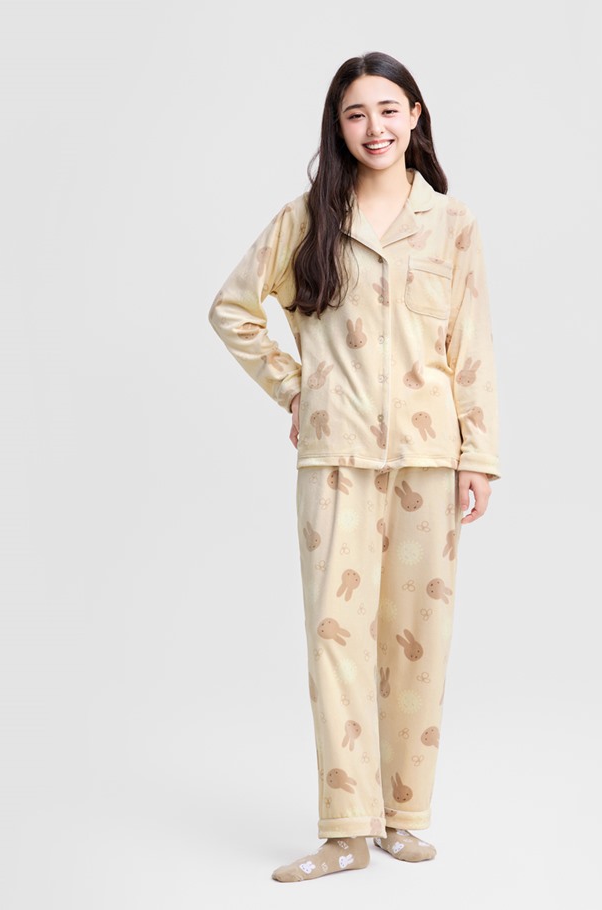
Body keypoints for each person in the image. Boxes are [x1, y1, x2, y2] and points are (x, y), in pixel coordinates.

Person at [208, 50, 501, 882]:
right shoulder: (308, 219)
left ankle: (403, 817)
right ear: (338, 128)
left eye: (387, 109)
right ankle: (345, 832)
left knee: (419, 642)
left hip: (429, 459)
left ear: (415, 115)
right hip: (334, 457)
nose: (374, 127)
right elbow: (232, 308)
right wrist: (295, 388)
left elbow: (472, 344)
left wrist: (478, 456)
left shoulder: (452, 223)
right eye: (355, 114)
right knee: (336, 643)